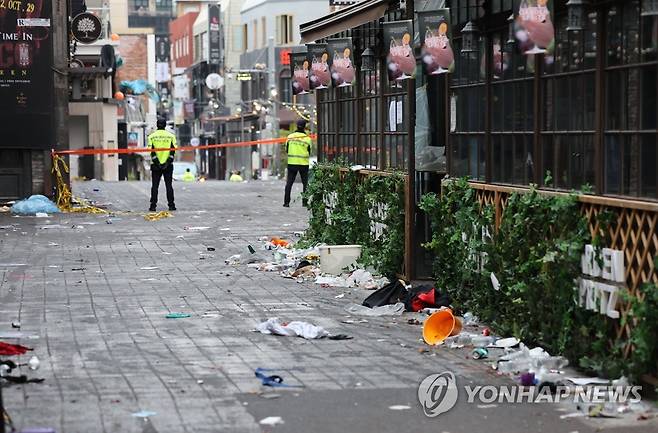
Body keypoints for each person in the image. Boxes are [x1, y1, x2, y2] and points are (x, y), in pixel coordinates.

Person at [148, 118, 177, 211]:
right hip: (168, 165)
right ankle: (171, 205)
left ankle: (153, 206)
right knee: (169, 185)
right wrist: (167, 162)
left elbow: (151, 151)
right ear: (165, 125)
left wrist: (157, 162)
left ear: (157, 125)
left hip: (155, 165)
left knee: (155, 186)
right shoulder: (171, 136)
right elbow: (173, 150)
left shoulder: (151, 136)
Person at [283, 119, 311, 207]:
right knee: (305, 184)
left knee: (289, 183)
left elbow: (286, 150)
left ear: (296, 125)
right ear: (305, 127)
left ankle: (286, 202)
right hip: (304, 164)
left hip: (292, 163)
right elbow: (309, 151)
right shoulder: (307, 139)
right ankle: (305, 202)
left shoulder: (290, 137)